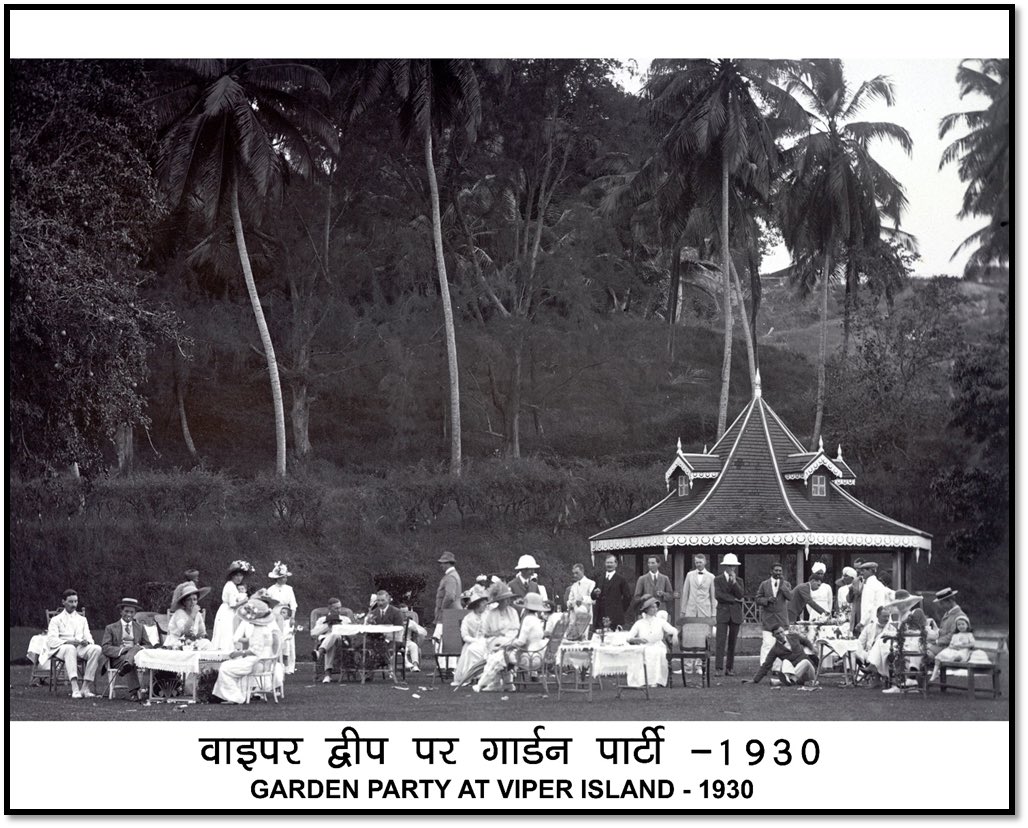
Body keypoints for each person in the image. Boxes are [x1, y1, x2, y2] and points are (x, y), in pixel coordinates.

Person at [474, 592, 549, 693]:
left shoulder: (528, 619)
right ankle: (504, 684)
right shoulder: (536, 620)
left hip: (530, 656)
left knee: (498, 656)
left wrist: (507, 646)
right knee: (501, 655)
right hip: (537, 653)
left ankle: (484, 684)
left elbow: (521, 641)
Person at [213, 599, 283, 704]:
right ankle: (239, 693)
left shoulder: (258, 630)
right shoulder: (266, 629)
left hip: (256, 662)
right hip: (264, 662)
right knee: (230, 666)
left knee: (225, 667)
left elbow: (255, 651)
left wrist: (240, 653)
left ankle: (235, 697)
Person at [42, 589, 103, 698]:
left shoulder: (82, 619)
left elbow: (88, 636)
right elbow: (51, 640)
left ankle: (85, 688)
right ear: (63, 602)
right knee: (70, 648)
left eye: (76, 601)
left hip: (79, 647)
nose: (74, 605)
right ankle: (75, 688)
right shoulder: (56, 620)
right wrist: (68, 641)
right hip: (61, 648)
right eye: (70, 602)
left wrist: (87, 642)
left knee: (97, 649)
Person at [101, 598, 153, 699]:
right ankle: (134, 692)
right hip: (118, 658)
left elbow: (148, 645)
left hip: (136, 656)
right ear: (121, 611)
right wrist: (122, 650)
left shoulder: (140, 627)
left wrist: (138, 648)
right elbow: (105, 647)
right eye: (126, 611)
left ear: (135, 613)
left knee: (134, 652)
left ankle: (128, 663)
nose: (129, 614)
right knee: (131, 661)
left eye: (132, 612)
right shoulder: (111, 628)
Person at [627, 596, 679, 687]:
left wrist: (675, 635)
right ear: (646, 609)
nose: (655, 609)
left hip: (657, 645)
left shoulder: (660, 621)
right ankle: (642, 681)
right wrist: (638, 639)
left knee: (657, 652)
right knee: (642, 653)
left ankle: (657, 680)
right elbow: (629, 637)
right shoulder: (639, 623)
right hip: (644, 646)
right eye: (652, 607)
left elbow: (672, 629)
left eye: (656, 607)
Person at [750, 626, 818, 687]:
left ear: (784, 631)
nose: (781, 635)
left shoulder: (794, 636)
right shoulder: (775, 649)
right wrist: (755, 680)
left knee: (806, 662)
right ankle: (789, 680)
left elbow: (806, 641)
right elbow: (766, 665)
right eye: (777, 634)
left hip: (808, 674)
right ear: (773, 636)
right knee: (785, 661)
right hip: (797, 674)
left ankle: (787, 680)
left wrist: (812, 648)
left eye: (781, 632)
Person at [451, 586, 491, 686]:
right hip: (472, 642)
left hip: (488, 642)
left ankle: (484, 676)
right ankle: (470, 676)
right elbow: (464, 636)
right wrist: (475, 641)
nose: (485, 605)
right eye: (483, 603)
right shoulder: (468, 618)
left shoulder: (489, 616)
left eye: (486, 603)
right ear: (477, 604)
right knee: (471, 650)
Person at [929, 615, 986, 682]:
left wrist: (963, 646)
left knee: (957, 656)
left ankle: (951, 660)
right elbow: (950, 645)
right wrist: (953, 647)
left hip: (963, 651)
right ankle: (934, 674)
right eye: (959, 625)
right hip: (953, 650)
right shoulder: (955, 635)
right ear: (956, 626)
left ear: (967, 625)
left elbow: (972, 644)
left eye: (963, 624)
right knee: (939, 656)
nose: (961, 626)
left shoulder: (969, 635)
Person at [714, 553, 745, 676]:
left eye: (734, 566)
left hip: (735, 614)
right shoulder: (718, 579)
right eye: (730, 566)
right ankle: (718, 668)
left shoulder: (739, 580)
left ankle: (729, 668)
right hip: (722, 613)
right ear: (725, 566)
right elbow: (718, 595)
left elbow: (740, 595)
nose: (732, 568)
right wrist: (733, 599)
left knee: (732, 642)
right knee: (720, 641)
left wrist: (734, 582)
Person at [755, 563, 793, 663]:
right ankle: (764, 666)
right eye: (776, 570)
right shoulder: (764, 584)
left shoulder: (786, 584)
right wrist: (767, 600)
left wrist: (782, 586)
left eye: (780, 571)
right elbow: (758, 599)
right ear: (771, 571)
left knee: (783, 644)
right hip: (768, 619)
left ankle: (780, 667)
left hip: (782, 619)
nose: (778, 573)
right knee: (767, 644)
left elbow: (790, 597)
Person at [212, 560, 253, 650]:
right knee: (227, 631)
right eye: (236, 575)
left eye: (241, 575)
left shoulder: (233, 586)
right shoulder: (230, 585)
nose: (239, 578)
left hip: (230, 611)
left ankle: (231, 650)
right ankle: (225, 651)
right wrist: (245, 600)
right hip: (227, 611)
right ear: (232, 576)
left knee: (232, 630)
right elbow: (232, 604)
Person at [311, 597, 354, 684]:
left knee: (335, 634)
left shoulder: (345, 619)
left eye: (340, 608)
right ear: (330, 608)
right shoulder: (322, 620)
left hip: (341, 641)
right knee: (332, 641)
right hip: (325, 641)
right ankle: (327, 674)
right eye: (336, 608)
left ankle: (320, 654)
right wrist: (328, 626)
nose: (339, 610)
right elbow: (313, 633)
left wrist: (339, 626)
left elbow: (351, 632)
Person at [164, 582, 213, 648]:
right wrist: (192, 615)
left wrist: (202, 636)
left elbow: (202, 633)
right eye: (189, 600)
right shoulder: (179, 613)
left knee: (207, 643)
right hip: (176, 642)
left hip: (190, 642)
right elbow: (184, 632)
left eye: (194, 599)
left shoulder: (198, 614)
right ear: (184, 602)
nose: (192, 602)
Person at [591, 555, 633, 630]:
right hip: (600, 616)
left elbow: (627, 597)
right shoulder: (600, 578)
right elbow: (592, 596)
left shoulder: (621, 579)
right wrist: (595, 593)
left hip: (615, 616)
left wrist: (620, 610)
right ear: (605, 564)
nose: (609, 565)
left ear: (616, 564)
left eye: (611, 563)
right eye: (607, 563)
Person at [854, 606, 892, 685]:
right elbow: (860, 642)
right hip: (868, 652)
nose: (887, 619)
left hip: (883, 655)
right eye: (884, 616)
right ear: (877, 615)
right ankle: (873, 675)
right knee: (856, 651)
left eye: (888, 616)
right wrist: (861, 651)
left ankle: (875, 676)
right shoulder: (869, 627)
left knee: (882, 651)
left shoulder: (892, 629)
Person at [928, 587, 965, 657]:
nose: (941, 606)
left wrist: (936, 641)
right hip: (942, 647)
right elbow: (944, 631)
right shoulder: (948, 613)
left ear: (950, 601)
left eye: (942, 603)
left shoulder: (959, 616)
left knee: (924, 651)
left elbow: (953, 635)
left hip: (950, 649)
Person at [433, 551, 462, 634]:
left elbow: (450, 596)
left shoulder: (450, 577)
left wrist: (442, 610)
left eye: (442, 563)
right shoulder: (453, 575)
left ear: (448, 563)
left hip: (449, 614)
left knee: (438, 639)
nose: (441, 565)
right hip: (451, 614)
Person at [680, 554, 717, 618]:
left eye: (700, 562)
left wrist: (714, 614)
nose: (698, 564)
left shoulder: (711, 577)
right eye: (697, 563)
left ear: (705, 562)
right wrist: (683, 611)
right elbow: (685, 593)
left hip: (705, 611)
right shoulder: (689, 575)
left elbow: (713, 596)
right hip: (691, 610)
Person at [396, 600, 427, 673]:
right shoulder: (395, 621)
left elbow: (424, 632)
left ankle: (415, 665)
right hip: (397, 641)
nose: (405, 614)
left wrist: (416, 629)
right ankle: (406, 664)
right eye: (403, 612)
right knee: (404, 649)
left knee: (414, 646)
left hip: (408, 641)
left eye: (406, 612)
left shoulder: (410, 622)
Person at [857, 561, 890, 629]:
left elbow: (868, 606)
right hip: (879, 620)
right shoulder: (878, 584)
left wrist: (862, 622)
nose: (861, 573)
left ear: (870, 571)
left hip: (871, 621)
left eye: (863, 571)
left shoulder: (870, 585)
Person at [276, 605, 297, 674]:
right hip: (279, 640)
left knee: (285, 655)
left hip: (286, 641)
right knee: (278, 655)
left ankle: (287, 668)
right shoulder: (278, 622)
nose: (281, 614)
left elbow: (291, 632)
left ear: (288, 615)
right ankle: (279, 668)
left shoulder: (289, 622)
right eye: (281, 612)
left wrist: (286, 637)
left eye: (284, 613)